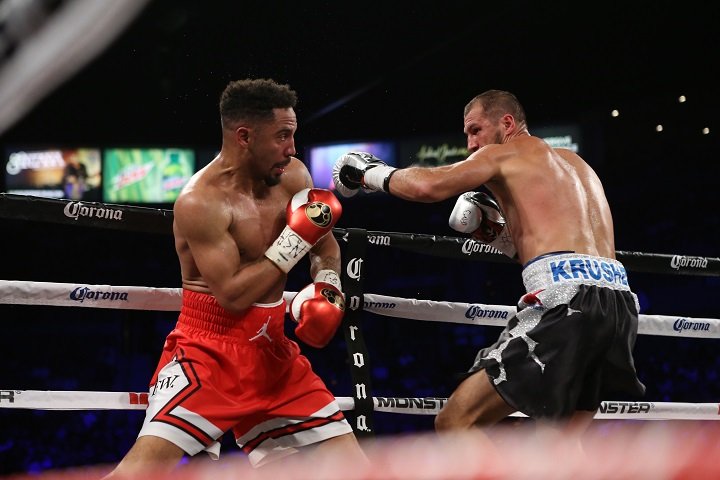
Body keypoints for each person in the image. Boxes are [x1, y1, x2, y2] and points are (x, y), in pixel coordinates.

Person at [332, 89, 646, 441]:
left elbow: (429, 186)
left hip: (568, 305)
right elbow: (569, 254)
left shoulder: (506, 152)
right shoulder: (578, 166)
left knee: (455, 422)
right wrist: (501, 237)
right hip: (620, 305)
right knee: (559, 445)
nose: (470, 143)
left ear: (507, 123)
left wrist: (371, 172)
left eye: (475, 130)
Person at [105, 78, 367, 478]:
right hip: (208, 353)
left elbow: (324, 246)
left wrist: (327, 284)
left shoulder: (293, 176)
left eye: (293, 134)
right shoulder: (201, 202)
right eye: (282, 136)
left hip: (273, 351)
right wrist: (293, 242)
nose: (292, 148)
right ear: (245, 135)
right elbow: (232, 294)